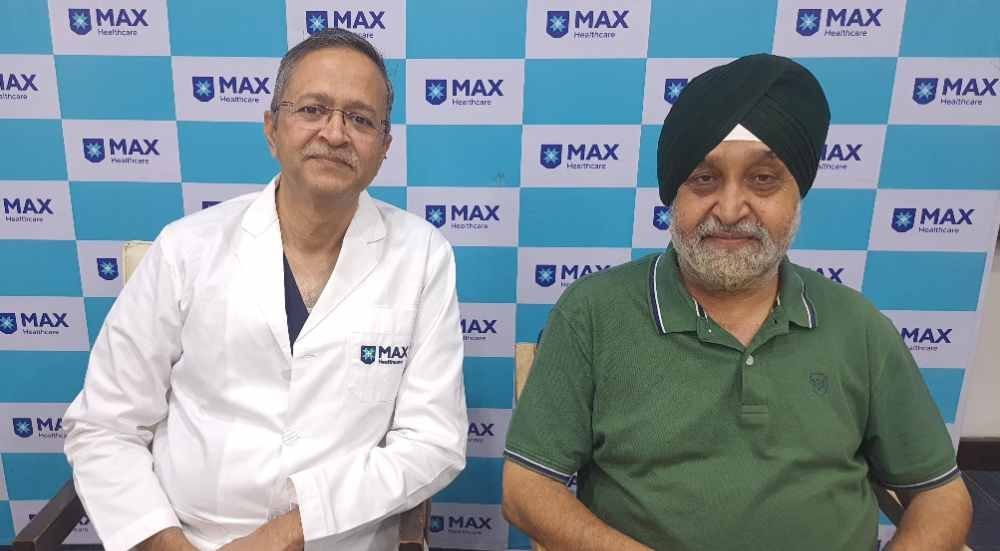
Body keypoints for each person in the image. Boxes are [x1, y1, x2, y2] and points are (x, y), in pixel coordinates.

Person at [501, 53, 972, 550]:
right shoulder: (593, 313)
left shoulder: (857, 325)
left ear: (797, 195)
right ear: (673, 195)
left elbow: (941, 494)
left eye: (763, 179)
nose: (729, 210)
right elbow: (525, 489)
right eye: (703, 179)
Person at [63, 29, 467, 551]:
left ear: (384, 148)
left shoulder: (422, 256)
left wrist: (290, 531)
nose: (335, 133)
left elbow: (433, 441)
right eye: (312, 109)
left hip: (342, 539)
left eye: (360, 119)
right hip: (193, 537)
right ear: (272, 128)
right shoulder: (186, 248)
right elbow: (104, 425)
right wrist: (165, 543)